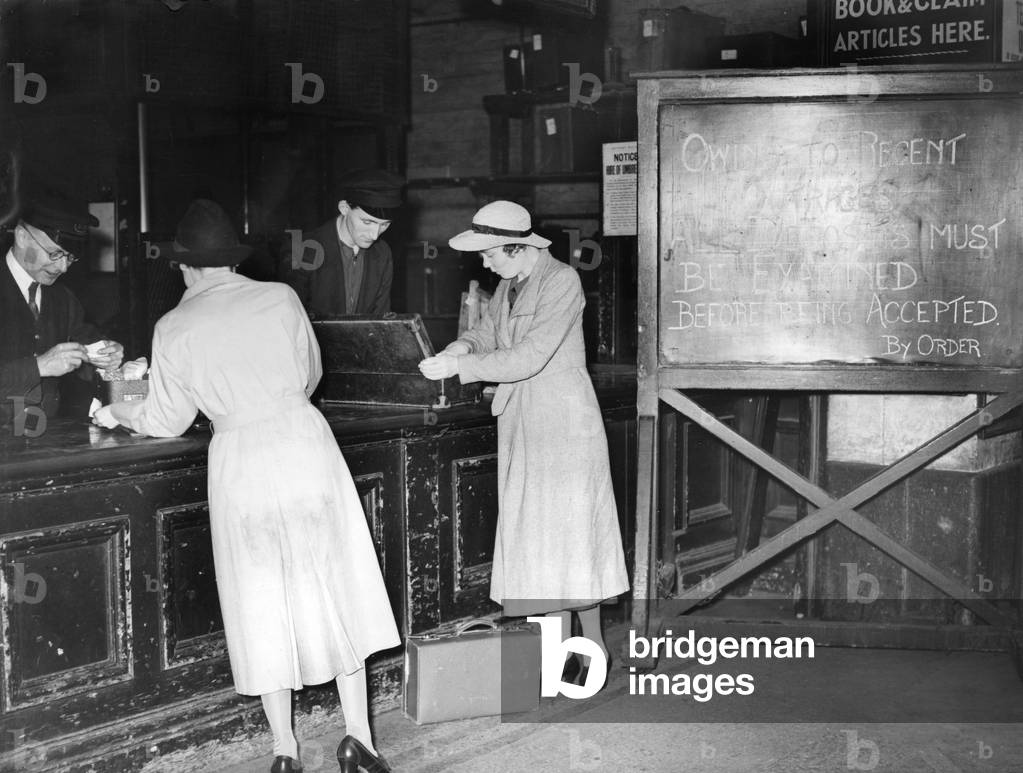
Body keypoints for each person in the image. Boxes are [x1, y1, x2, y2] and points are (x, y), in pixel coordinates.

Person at [93, 200, 400, 773]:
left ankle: (285, 751)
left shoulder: (173, 326)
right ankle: (360, 742)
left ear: (185, 268)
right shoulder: (280, 297)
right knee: (335, 584)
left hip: (240, 461)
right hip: (305, 445)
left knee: (260, 599)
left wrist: (117, 415)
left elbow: (167, 419)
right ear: (233, 261)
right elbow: (310, 374)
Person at [418, 200, 628, 684]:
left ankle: (591, 647)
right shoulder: (509, 285)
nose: (484, 264)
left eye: (490, 254)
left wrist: (462, 368)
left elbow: (529, 355)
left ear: (515, 247)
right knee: (538, 543)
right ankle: (558, 655)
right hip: (523, 421)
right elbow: (487, 333)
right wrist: (461, 347)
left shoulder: (562, 283)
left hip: (563, 424)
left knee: (573, 540)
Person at [0, 186, 124, 433]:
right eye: (55, 254)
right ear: (22, 237)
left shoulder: (63, 298)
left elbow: (85, 341)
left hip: (41, 437)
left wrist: (105, 354)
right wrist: (39, 366)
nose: (63, 268)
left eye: (70, 257)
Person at [283, 168, 404, 318]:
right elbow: (291, 319)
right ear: (344, 208)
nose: (374, 235)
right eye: (367, 222)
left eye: (384, 225)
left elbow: (381, 318)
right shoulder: (304, 248)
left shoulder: (382, 252)